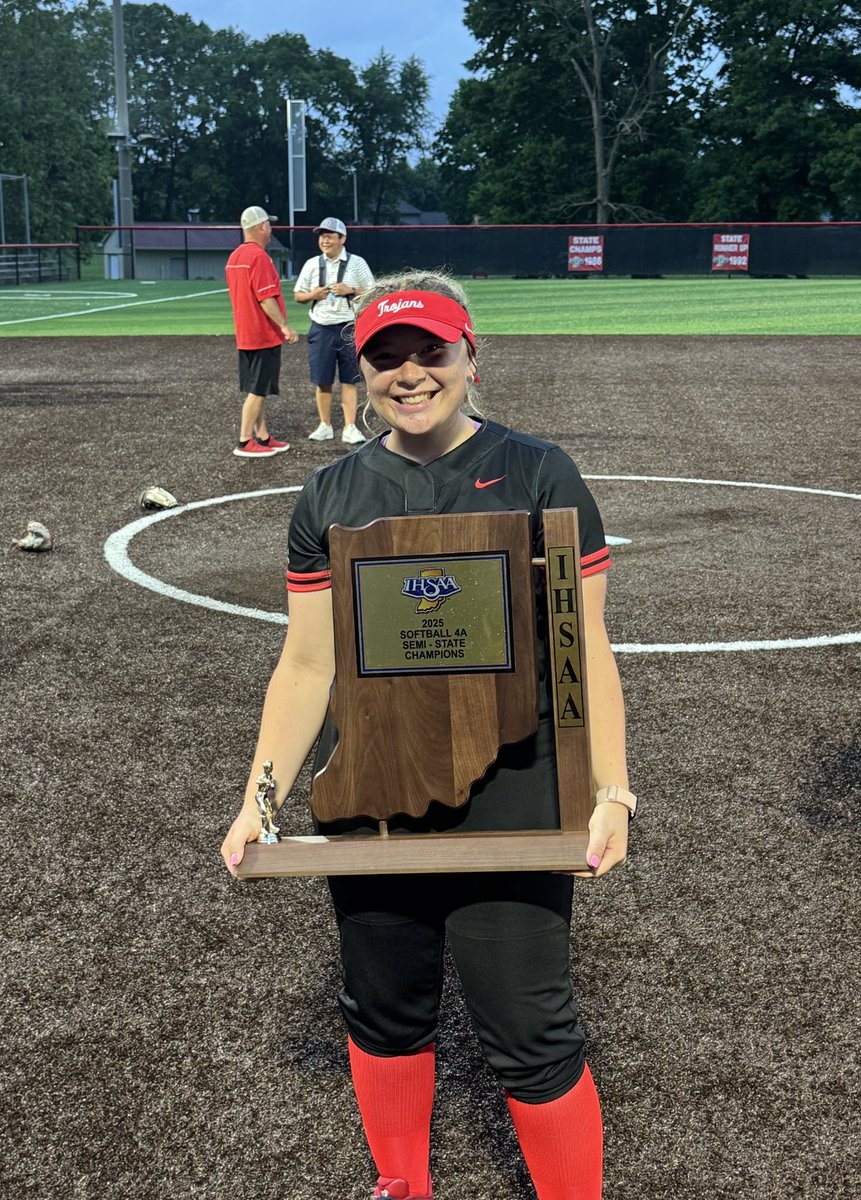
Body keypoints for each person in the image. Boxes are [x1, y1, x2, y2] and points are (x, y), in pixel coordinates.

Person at [221, 271, 634, 1200]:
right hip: (374, 785)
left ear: (468, 356)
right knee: (383, 1008)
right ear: (363, 372)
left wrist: (610, 789)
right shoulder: (330, 492)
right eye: (386, 358)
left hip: (516, 784)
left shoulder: (540, 472)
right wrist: (258, 801)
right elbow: (307, 665)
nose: (408, 373)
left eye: (429, 352)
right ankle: (401, 1184)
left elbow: (586, 644)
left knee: (529, 1030)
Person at [225, 206, 299, 458]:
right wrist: (284, 326)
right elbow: (266, 298)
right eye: (268, 224)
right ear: (261, 227)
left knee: (256, 388)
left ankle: (263, 436)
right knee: (258, 390)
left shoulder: (235, 256)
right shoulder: (259, 257)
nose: (270, 229)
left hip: (245, 335)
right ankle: (245, 441)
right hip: (262, 334)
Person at [293, 216, 375, 445]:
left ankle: (350, 427)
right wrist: (314, 295)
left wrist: (352, 290)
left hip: (348, 327)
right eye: (322, 236)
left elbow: (374, 293)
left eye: (329, 236)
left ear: (342, 238)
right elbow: (298, 295)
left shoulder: (357, 263)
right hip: (321, 328)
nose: (325, 241)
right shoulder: (312, 264)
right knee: (322, 380)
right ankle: (325, 425)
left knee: (349, 379)